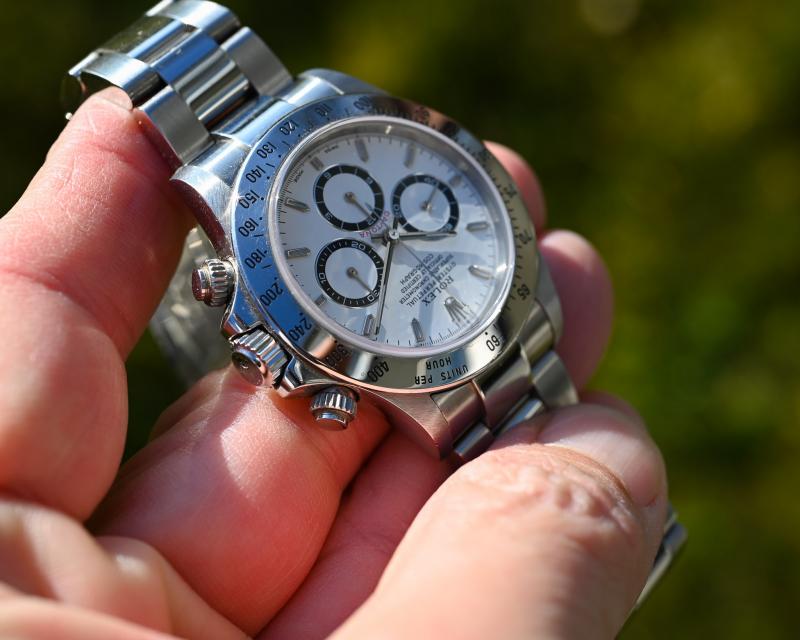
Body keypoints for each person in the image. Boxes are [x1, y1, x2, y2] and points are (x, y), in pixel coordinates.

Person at [0, 89, 668, 639]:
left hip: (479, 310)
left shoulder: (325, 96)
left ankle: (637, 561)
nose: (389, 233)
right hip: (432, 360)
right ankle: (644, 557)